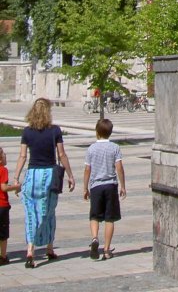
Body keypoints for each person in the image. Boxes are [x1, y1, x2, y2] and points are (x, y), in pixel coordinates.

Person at [13, 97, 75, 267]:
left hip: (32, 175)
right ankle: (49, 247)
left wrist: (16, 177)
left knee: (31, 213)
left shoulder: (27, 132)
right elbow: (61, 154)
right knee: (49, 212)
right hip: (49, 175)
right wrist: (70, 174)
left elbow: (23, 156)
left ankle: (30, 250)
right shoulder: (55, 131)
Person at [83, 117, 126, 261]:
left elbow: (87, 170)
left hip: (96, 186)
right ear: (111, 132)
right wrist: (123, 185)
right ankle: (107, 249)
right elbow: (119, 167)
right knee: (109, 218)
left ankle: (95, 238)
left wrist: (85, 187)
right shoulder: (115, 148)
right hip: (110, 185)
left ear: (96, 131)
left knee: (94, 215)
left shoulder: (91, 148)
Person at [0, 148, 21, 265]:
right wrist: (16, 186)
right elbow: (3, 187)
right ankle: (2, 256)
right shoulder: (3, 170)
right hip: (2, 205)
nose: (5, 155)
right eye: (3, 154)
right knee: (3, 232)